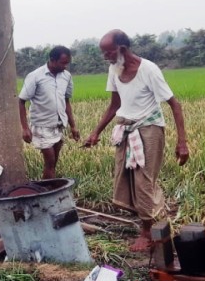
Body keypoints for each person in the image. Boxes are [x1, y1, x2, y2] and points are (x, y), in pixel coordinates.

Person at [83, 29, 190, 252]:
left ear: (121, 48)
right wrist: (96, 132)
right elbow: (114, 104)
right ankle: (154, 216)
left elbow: (175, 105)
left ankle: (147, 232)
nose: (106, 57)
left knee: (143, 182)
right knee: (126, 180)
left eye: (108, 52)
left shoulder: (148, 69)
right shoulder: (114, 69)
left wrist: (182, 142)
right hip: (126, 128)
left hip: (149, 129)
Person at [18, 45, 80, 179]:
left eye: (67, 63)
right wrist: (24, 128)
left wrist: (73, 126)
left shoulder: (66, 76)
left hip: (58, 125)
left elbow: (66, 101)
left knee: (53, 163)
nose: (66, 66)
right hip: (42, 125)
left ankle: (47, 189)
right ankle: (49, 191)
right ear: (52, 59)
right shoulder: (35, 76)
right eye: (63, 63)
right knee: (50, 162)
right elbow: (21, 101)